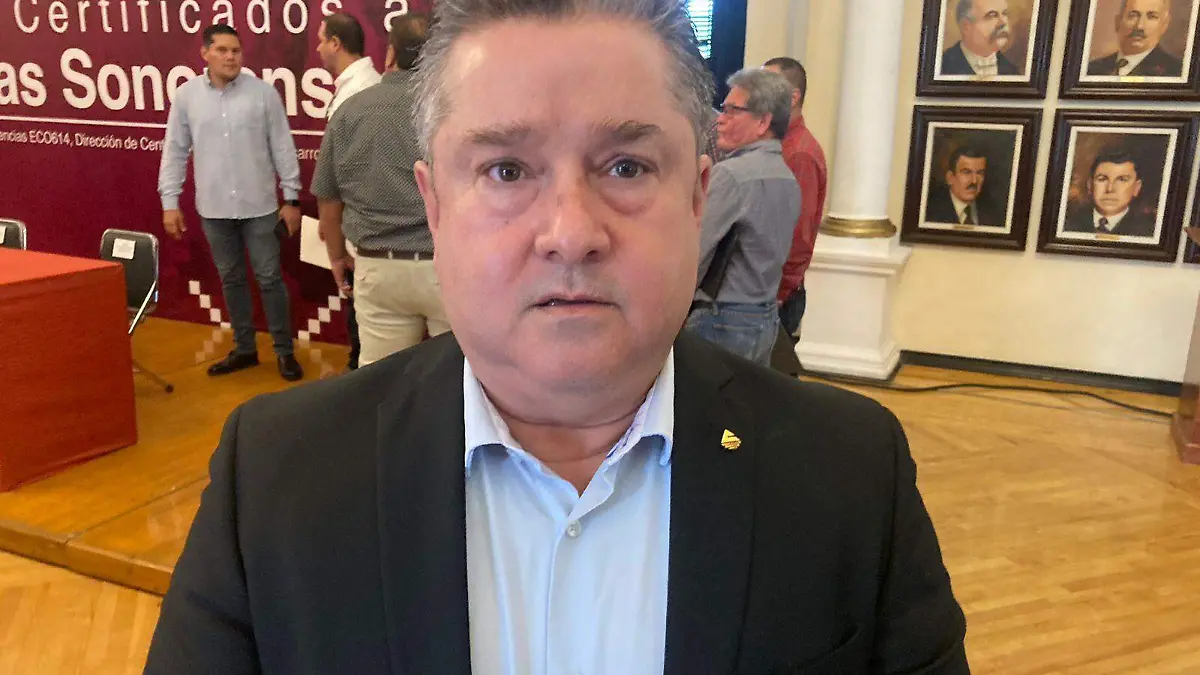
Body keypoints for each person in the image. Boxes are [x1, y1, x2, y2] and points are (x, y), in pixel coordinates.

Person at [143, 2, 969, 673]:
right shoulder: (274, 477)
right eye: (506, 170)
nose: (571, 233)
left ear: (697, 198)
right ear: (435, 206)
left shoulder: (854, 473)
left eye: (626, 166)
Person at [158, 23, 304, 382]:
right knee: (231, 279)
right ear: (205, 53)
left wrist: (292, 198)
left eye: (235, 51)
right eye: (222, 50)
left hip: (260, 207)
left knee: (269, 278)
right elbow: (175, 151)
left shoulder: (263, 94)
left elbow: (283, 147)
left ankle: (284, 351)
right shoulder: (187, 96)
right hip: (214, 209)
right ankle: (245, 349)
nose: (230, 57)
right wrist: (169, 201)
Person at [311, 14, 447, 367]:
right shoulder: (456, 110)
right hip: (447, 266)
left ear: (390, 54)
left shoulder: (350, 111)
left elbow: (328, 196)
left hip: (377, 268)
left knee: (381, 379)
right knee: (459, 377)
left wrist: (337, 257)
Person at [685, 68, 800, 367]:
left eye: (732, 111)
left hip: (722, 320)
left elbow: (695, 253)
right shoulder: (786, 176)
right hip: (765, 318)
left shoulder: (731, 175)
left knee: (699, 396)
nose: (720, 119)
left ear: (763, 122)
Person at [316, 11, 382, 370]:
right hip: (363, 226)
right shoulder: (361, 86)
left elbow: (346, 175)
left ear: (336, 43)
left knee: (364, 326)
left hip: (363, 230)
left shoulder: (356, 94)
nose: (317, 48)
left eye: (321, 40)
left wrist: (337, 228)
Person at [764, 56, 827, 341]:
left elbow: (799, 234)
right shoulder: (775, 144)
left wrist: (779, 293)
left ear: (792, 98)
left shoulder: (799, 154)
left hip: (776, 297)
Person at [1064, 148, 1156, 237]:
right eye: (1102, 179)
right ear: (1090, 185)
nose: (1110, 189)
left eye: (1122, 180)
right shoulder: (1067, 223)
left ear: (1136, 187)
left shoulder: (1149, 231)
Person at [1087, 0, 1182, 77]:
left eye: (1152, 17)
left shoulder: (1176, 71)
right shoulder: (1092, 69)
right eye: (1133, 15)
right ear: (1118, 22)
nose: (1139, 26)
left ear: (1164, 25)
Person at [925, 145, 1005, 226]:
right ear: (950, 177)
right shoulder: (929, 211)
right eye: (967, 172)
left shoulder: (994, 212)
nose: (974, 181)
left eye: (980, 173)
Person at [941, 0, 1019, 76]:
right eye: (992, 16)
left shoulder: (1012, 71)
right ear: (965, 26)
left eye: (1005, 13)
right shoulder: (942, 66)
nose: (1003, 22)